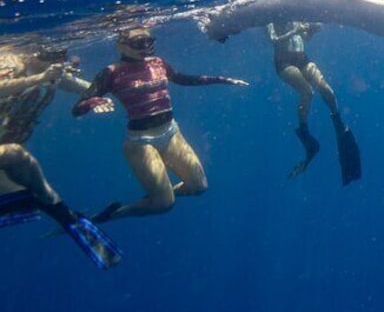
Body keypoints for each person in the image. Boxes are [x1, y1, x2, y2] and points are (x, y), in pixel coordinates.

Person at [72, 26, 249, 223]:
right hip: (141, 142)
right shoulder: (111, 72)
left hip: (171, 133)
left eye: (150, 41)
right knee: (164, 205)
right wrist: (93, 102)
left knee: (198, 186)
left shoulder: (158, 63)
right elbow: (77, 108)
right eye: (139, 42)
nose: (146, 46)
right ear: (121, 46)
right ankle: (114, 214)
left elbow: (182, 79)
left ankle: (159, 194)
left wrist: (220, 80)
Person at [0, 46, 122, 269]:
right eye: (49, 55)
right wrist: (38, 78)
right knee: (17, 160)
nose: (55, 61)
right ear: (31, 52)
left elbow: (83, 87)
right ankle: (53, 209)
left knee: (34, 193)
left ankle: (65, 216)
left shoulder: (52, 73)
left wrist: (95, 99)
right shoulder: (8, 63)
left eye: (60, 55)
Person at [267, 21, 361, 185]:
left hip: (302, 58)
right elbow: (274, 40)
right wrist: (294, 31)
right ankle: (304, 132)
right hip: (283, 62)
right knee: (307, 92)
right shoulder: (270, 16)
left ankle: (338, 122)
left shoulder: (296, 15)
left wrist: (311, 31)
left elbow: (305, 38)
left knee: (328, 92)